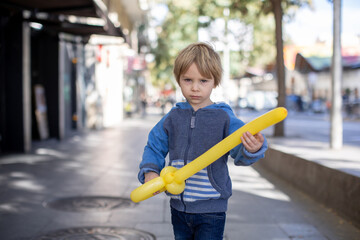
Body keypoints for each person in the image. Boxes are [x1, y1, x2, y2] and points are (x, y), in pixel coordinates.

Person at [137, 42, 268, 240]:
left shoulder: (224, 118)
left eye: (203, 81)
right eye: (188, 80)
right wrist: (151, 171)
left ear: (214, 82)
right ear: (178, 80)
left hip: (211, 207)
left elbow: (240, 151)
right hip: (178, 206)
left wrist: (252, 148)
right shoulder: (173, 117)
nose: (195, 88)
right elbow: (154, 145)